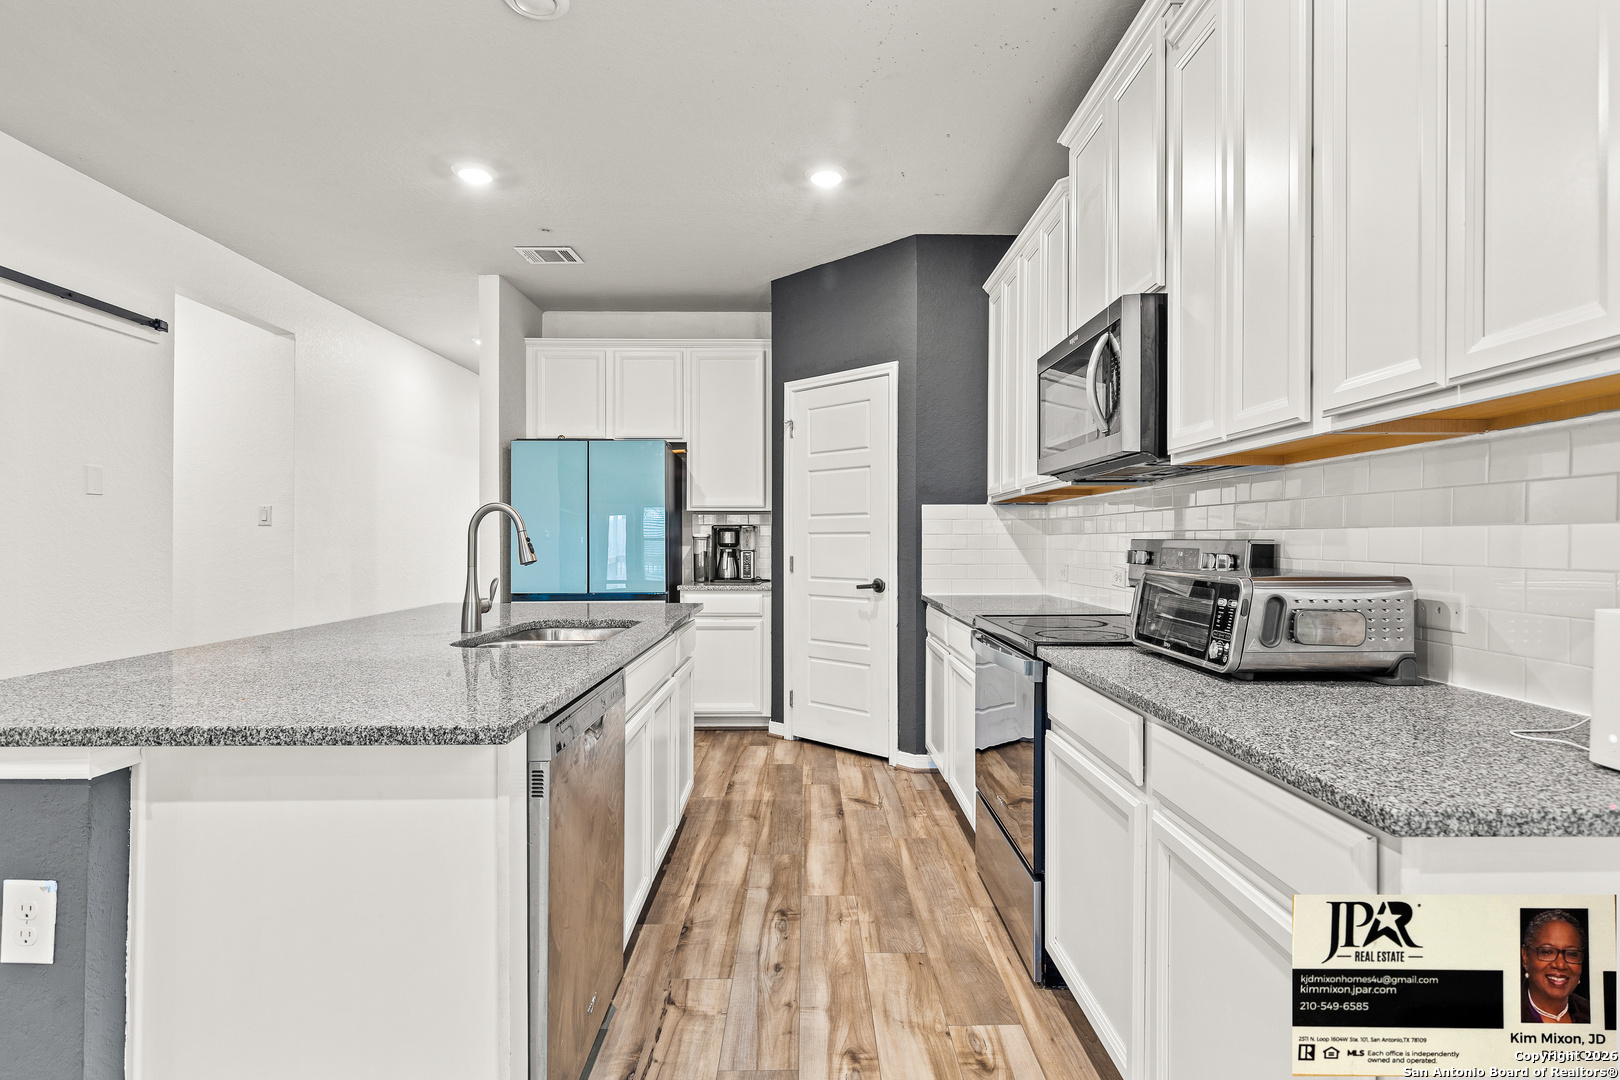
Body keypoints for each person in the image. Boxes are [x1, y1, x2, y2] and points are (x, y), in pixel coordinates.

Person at [1521, 909, 1591, 1024]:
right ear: (1526, 956)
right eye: (1547, 952)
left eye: (1572, 954)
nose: (1560, 964)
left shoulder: (1593, 1014)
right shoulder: (1507, 1011)